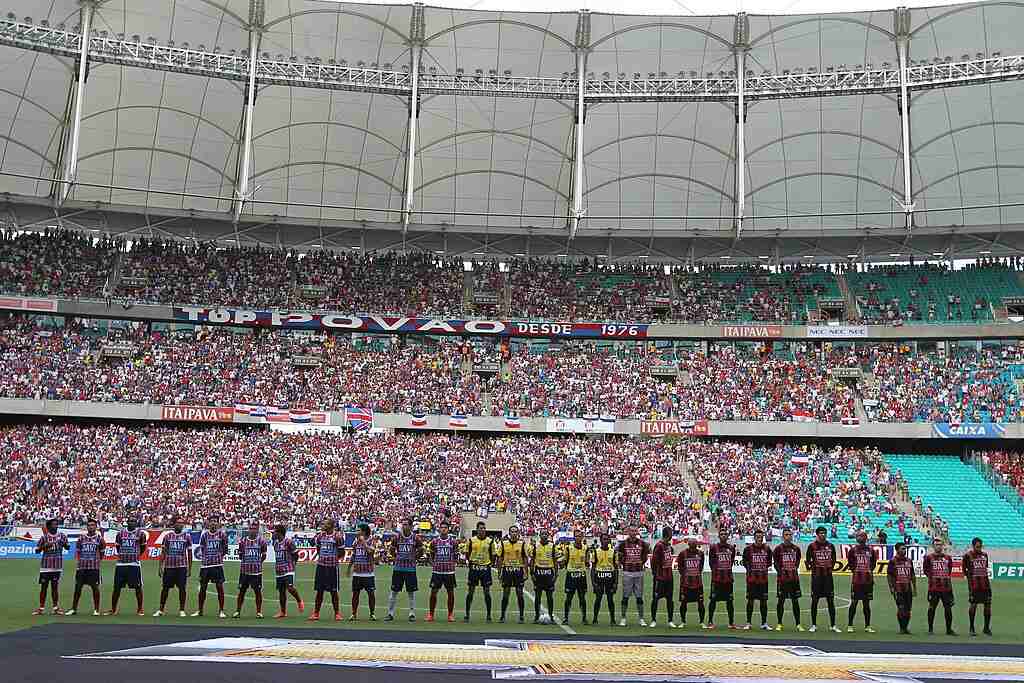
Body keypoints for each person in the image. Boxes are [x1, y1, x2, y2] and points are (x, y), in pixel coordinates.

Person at [386, 518, 422, 622]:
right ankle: (390, 613)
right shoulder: (397, 537)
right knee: (394, 591)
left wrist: (414, 558)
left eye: (406, 524)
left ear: (411, 526)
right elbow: (392, 549)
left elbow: (421, 550)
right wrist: (397, 557)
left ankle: (412, 613)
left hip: (410, 569)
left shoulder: (416, 538)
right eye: (403, 524)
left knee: (411, 592)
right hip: (398, 568)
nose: (403, 526)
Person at [805, 526, 840, 633]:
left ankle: (833, 625)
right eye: (821, 533)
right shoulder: (812, 546)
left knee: (830, 601)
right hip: (816, 578)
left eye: (824, 533)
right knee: (815, 601)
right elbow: (808, 560)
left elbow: (834, 559)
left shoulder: (831, 546)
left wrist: (829, 567)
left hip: (828, 578)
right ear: (817, 534)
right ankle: (814, 625)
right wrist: (814, 568)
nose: (823, 534)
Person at [109, 518, 147, 616]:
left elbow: (143, 547)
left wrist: (136, 555)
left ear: (136, 523)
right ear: (127, 523)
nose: (132, 523)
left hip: (134, 564)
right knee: (116, 588)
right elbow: (118, 547)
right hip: (121, 564)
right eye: (130, 521)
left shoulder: (141, 534)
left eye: (134, 521)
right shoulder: (120, 534)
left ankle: (140, 609)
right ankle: (113, 609)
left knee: (138, 588)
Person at [154, 516, 191, 617]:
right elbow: (163, 552)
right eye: (178, 523)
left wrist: (189, 568)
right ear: (174, 524)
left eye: (182, 523)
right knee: (165, 588)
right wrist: (160, 566)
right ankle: (161, 609)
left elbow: (190, 553)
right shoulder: (168, 536)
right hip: (169, 567)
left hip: (181, 567)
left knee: (182, 588)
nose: (180, 525)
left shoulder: (187, 536)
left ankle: (182, 610)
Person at [67, 518, 105, 616]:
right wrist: (80, 562)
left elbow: (102, 553)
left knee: (95, 588)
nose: (90, 527)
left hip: (94, 568)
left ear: (96, 527)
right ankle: (73, 609)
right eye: (89, 525)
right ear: (87, 527)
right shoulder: (81, 538)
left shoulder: (100, 539)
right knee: (78, 588)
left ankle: (96, 610)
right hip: (82, 567)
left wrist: (96, 561)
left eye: (92, 525)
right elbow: (78, 552)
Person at [309, 518, 344, 621]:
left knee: (334, 591)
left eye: (325, 523)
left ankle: (337, 613)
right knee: (319, 591)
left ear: (331, 525)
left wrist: (333, 559)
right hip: (321, 566)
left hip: (332, 567)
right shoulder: (320, 536)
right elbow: (317, 548)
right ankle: (316, 613)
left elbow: (342, 552)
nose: (323, 525)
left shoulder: (337, 537)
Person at [193, 516, 228, 618]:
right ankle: (200, 610)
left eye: (215, 521)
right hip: (205, 566)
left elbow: (225, 549)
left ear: (218, 524)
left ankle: (221, 611)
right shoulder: (204, 535)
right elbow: (202, 549)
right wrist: (206, 559)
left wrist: (218, 557)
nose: (213, 523)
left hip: (217, 565)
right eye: (211, 521)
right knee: (203, 588)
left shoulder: (222, 535)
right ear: (208, 523)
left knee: (219, 587)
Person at [616, 525, 650, 627]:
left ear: (637, 532)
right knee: (625, 597)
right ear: (628, 532)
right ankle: (623, 618)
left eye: (635, 531)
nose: (633, 533)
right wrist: (625, 564)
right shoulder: (623, 544)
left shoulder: (642, 544)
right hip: (627, 573)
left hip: (639, 572)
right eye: (631, 531)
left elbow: (645, 556)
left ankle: (641, 618)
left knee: (639, 597)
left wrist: (639, 563)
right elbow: (620, 556)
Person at [33, 518, 69, 615]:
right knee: (44, 588)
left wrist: (64, 544)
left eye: (56, 524)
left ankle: (55, 608)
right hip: (45, 566)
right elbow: (36, 551)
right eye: (53, 524)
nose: (55, 526)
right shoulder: (44, 538)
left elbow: (68, 547)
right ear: (49, 526)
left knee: (55, 587)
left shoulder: (62, 536)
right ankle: (41, 608)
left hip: (57, 566)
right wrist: (45, 546)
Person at [233, 521, 267, 618]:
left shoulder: (261, 541)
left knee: (257, 592)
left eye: (254, 529)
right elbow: (240, 555)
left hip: (256, 572)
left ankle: (259, 612)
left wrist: (258, 563)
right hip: (244, 572)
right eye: (251, 528)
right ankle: (238, 611)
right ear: (248, 530)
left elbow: (264, 555)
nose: (252, 530)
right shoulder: (243, 542)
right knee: (242, 591)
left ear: (257, 530)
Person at [846, 531, 878, 633]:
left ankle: (867, 626)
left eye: (862, 536)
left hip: (868, 581)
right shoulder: (852, 550)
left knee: (866, 604)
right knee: (854, 603)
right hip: (857, 581)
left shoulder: (871, 551)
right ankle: (850, 625)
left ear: (866, 538)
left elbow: (873, 564)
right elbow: (850, 564)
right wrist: (857, 572)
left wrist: (867, 572)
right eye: (858, 536)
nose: (860, 538)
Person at [923, 538, 957, 635]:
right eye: (936, 544)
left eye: (940, 544)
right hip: (933, 588)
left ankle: (949, 629)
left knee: (948, 608)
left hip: (946, 588)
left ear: (943, 546)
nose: (938, 546)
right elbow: (926, 570)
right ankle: (930, 629)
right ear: (933, 546)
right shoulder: (929, 558)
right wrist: (932, 578)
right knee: (932, 608)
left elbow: (949, 570)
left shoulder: (948, 558)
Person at [464, 521, 496, 622]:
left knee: (487, 592)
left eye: (484, 528)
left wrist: (490, 563)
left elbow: (493, 554)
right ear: (477, 529)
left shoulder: (490, 541)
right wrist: (470, 561)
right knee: (470, 591)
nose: (482, 530)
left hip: (485, 569)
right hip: (474, 568)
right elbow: (467, 552)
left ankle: (489, 615)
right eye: (480, 528)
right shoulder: (471, 540)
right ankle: (467, 614)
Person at [773, 528, 803, 632]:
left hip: (794, 579)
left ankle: (798, 624)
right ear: (783, 536)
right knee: (781, 601)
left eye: (790, 534)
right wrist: (781, 572)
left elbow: (798, 560)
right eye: (786, 534)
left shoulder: (796, 549)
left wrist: (793, 569)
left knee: (795, 601)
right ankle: (779, 623)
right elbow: (775, 563)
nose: (788, 536)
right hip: (782, 580)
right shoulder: (778, 549)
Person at [741, 530, 772, 630]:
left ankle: (764, 623)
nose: (759, 538)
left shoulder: (767, 549)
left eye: (761, 536)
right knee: (750, 601)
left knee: (764, 602)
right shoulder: (748, 549)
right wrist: (751, 571)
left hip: (763, 580)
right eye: (757, 536)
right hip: (752, 580)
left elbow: (768, 563)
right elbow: (744, 562)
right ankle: (748, 623)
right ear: (754, 537)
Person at [497, 525, 528, 624]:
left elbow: (525, 558)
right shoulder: (503, 543)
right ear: (509, 533)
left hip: (518, 571)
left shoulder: (522, 544)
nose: (514, 533)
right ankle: (502, 615)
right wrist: (499, 572)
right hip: (507, 570)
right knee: (506, 593)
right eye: (512, 531)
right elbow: (500, 558)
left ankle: (521, 616)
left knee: (520, 593)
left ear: (518, 533)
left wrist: (526, 572)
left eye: (515, 531)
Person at [427, 520, 458, 622]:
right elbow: (431, 554)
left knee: (450, 593)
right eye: (442, 527)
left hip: (449, 572)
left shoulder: (453, 542)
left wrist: (452, 564)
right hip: (437, 572)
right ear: (439, 529)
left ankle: (450, 614)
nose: (443, 529)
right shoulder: (435, 542)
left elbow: (456, 555)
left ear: (448, 529)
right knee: (433, 592)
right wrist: (433, 563)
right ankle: (431, 614)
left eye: (445, 527)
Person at [272, 524, 304, 618]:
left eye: (275, 531)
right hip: (279, 570)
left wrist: (294, 563)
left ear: (279, 533)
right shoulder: (275, 543)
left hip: (288, 568)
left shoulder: (289, 542)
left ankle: (299, 600)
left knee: (290, 588)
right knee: (281, 591)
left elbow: (296, 554)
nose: (274, 533)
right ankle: (283, 612)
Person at [707, 528, 736, 629]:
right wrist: (716, 573)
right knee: (713, 600)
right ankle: (710, 621)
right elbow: (711, 562)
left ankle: (731, 623)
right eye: (722, 534)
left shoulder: (732, 548)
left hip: (728, 579)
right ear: (719, 536)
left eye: (725, 534)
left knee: (730, 601)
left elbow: (731, 561)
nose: (723, 536)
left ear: (727, 536)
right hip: (717, 580)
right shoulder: (714, 547)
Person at [962, 537, 992, 636]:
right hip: (974, 585)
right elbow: (964, 569)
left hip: (985, 585)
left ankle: (986, 628)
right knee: (973, 605)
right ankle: (971, 627)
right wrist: (970, 579)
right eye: (977, 547)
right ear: (973, 546)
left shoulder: (985, 555)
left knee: (987, 605)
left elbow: (985, 568)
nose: (979, 548)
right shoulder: (967, 556)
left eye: (980, 546)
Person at [347, 523, 376, 620]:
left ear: (363, 531)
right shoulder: (355, 542)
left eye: (358, 530)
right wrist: (349, 568)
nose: (357, 532)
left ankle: (372, 614)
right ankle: (354, 614)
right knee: (355, 594)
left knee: (371, 594)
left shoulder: (371, 541)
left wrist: (364, 542)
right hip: (357, 573)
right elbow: (354, 555)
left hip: (368, 573)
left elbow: (370, 551)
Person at [649, 526, 677, 629]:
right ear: (668, 534)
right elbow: (653, 561)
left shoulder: (669, 546)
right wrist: (655, 574)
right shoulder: (659, 546)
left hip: (669, 577)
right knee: (655, 599)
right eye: (671, 533)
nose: (671, 535)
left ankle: (670, 620)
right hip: (660, 577)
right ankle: (653, 620)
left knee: (670, 600)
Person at [528, 529, 557, 624]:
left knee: (550, 597)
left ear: (548, 535)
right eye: (542, 534)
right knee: (537, 596)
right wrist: (532, 573)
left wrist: (556, 574)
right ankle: (536, 616)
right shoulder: (535, 546)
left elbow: (555, 560)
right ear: (540, 536)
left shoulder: (552, 546)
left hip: (549, 573)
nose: (544, 535)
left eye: (546, 534)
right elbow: (532, 560)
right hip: (538, 573)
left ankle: (551, 615)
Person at [888, 542, 917, 634]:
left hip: (908, 588)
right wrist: (891, 588)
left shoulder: (909, 561)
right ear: (897, 550)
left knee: (908, 610)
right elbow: (889, 575)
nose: (904, 550)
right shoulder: (893, 561)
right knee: (901, 608)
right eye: (902, 548)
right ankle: (901, 628)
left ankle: (905, 628)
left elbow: (912, 575)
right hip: (898, 588)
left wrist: (914, 588)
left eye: (905, 548)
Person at [562, 528, 589, 626]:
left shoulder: (586, 548)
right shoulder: (568, 548)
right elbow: (565, 561)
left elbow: (587, 562)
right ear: (574, 537)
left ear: (582, 537)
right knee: (569, 598)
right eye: (576, 536)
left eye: (579, 536)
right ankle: (565, 618)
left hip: (581, 575)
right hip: (571, 575)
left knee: (582, 598)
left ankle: (584, 618)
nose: (578, 538)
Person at [676, 537, 705, 629]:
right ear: (689, 544)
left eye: (695, 543)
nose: (693, 545)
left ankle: (701, 622)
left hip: (698, 583)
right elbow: (680, 567)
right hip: (686, 584)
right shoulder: (682, 554)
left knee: (700, 603)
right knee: (683, 603)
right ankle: (683, 621)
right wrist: (685, 576)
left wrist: (695, 574)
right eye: (692, 543)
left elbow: (701, 567)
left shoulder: (701, 554)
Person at [591, 532, 618, 626]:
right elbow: (593, 568)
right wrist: (593, 582)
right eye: (604, 539)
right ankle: (595, 619)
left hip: (610, 578)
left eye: (607, 539)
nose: (605, 541)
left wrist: (616, 583)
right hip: (599, 578)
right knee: (598, 599)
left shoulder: (613, 552)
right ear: (601, 540)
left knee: (610, 600)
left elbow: (616, 568)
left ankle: (613, 620)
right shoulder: (596, 551)